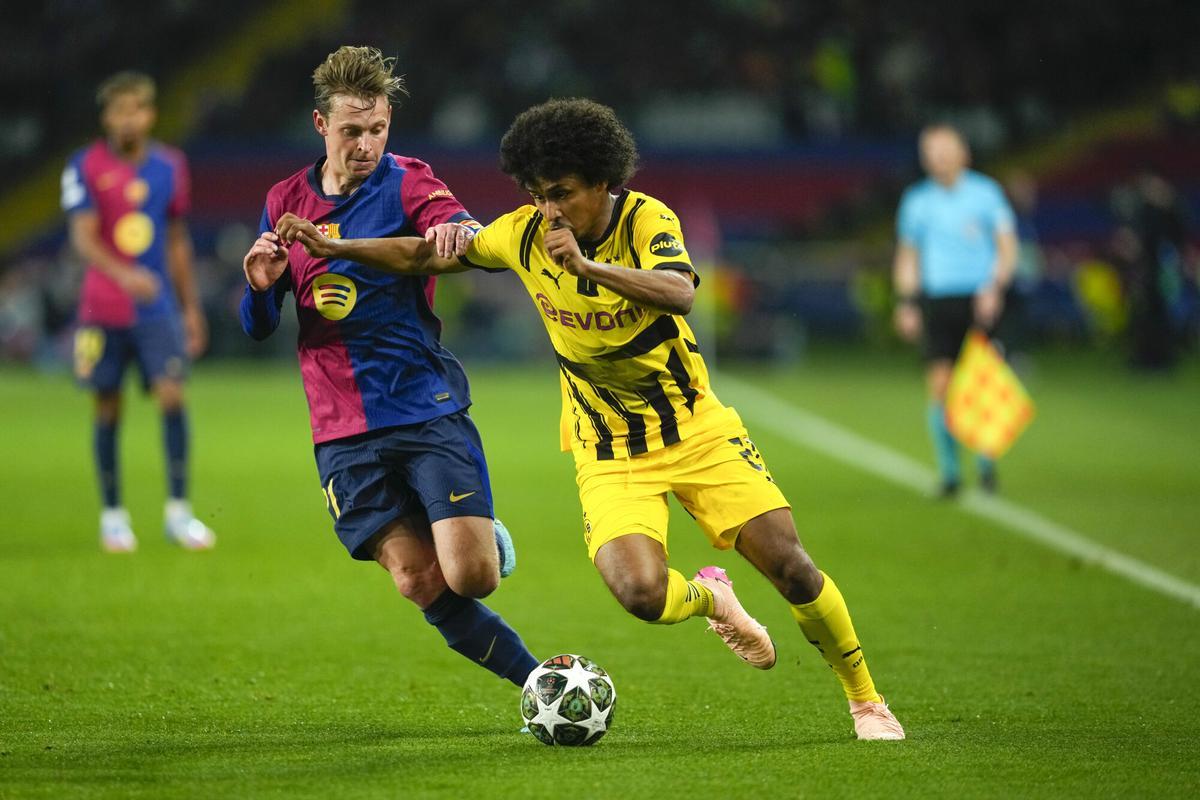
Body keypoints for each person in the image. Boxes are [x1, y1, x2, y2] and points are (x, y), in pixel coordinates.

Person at [275, 98, 905, 740]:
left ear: (605, 183)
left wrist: (586, 267)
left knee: (792, 567)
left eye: (563, 194)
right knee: (640, 594)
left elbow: (681, 291)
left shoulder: (646, 219)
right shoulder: (521, 234)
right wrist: (337, 245)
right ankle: (711, 598)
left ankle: (866, 701)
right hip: (607, 448)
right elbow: (421, 257)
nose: (549, 210)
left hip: (694, 428)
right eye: (537, 195)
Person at [239, 46, 536, 689]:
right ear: (323, 126)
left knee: (474, 576)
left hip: (421, 403)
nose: (366, 144)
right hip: (339, 424)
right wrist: (261, 288)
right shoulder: (285, 198)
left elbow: (452, 230)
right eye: (352, 131)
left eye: (377, 129)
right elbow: (259, 327)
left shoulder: (409, 180)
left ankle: (477, 532)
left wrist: (457, 230)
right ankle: (541, 682)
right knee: (417, 579)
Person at [61, 71, 215, 552]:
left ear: (150, 114)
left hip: (157, 308)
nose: (128, 119)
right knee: (108, 405)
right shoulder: (84, 165)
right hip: (103, 308)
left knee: (173, 396)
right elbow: (83, 237)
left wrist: (190, 307)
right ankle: (112, 516)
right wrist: (125, 276)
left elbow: (176, 241)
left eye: (137, 109)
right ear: (107, 117)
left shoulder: (170, 166)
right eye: (119, 110)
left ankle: (178, 513)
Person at [892, 124, 1017, 497]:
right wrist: (907, 302)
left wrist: (994, 287)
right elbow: (908, 256)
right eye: (930, 150)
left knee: (983, 384)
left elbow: (1007, 247)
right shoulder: (917, 201)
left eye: (945, 148)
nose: (938, 156)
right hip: (938, 300)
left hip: (980, 298)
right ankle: (949, 473)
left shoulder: (986, 193)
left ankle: (986, 464)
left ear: (964, 152)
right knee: (941, 385)